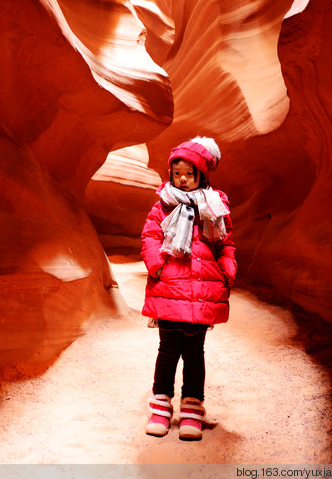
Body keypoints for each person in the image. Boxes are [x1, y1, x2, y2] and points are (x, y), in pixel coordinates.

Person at [141, 136, 236, 440]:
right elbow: (150, 237)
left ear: (202, 175)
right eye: (177, 173)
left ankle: (192, 409)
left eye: (189, 174)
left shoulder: (215, 206)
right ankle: (161, 407)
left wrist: (227, 270)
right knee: (168, 351)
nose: (182, 180)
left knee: (194, 352)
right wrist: (156, 263)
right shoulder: (163, 205)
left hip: (202, 294)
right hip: (169, 288)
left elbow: (225, 243)